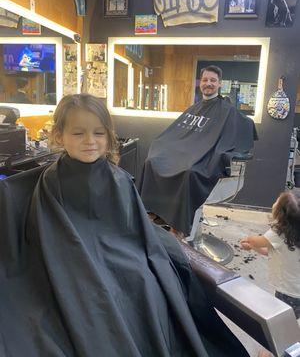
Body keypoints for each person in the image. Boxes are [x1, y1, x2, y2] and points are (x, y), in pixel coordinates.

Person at [0, 93, 249, 356]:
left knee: (146, 284)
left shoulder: (119, 180)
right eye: (78, 133)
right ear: (59, 136)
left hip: (122, 251)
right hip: (69, 263)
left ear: (108, 136)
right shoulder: (52, 182)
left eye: (98, 133)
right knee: (92, 299)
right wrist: (88, 267)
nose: (89, 141)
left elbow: (133, 231)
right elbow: (52, 237)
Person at [140, 65, 257, 235]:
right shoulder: (193, 109)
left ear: (219, 84)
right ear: (200, 83)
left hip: (202, 159)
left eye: (213, 80)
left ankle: (178, 228)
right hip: (185, 155)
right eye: (205, 80)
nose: (208, 83)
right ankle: (155, 213)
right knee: (152, 162)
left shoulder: (227, 111)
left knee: (190, 173)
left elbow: (247, 125)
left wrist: (225, 153)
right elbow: (177, 137)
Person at [240, 190, 300, 320]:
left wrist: (248, 240)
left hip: (287, 292)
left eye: (277, 201)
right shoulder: (295, 233)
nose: (274, 202)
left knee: (284, 321)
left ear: (280, 213)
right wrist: (253, 248)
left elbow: (255, 240)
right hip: (297, 291)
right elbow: (270, 251)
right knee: (292, 319)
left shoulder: (278, 233)